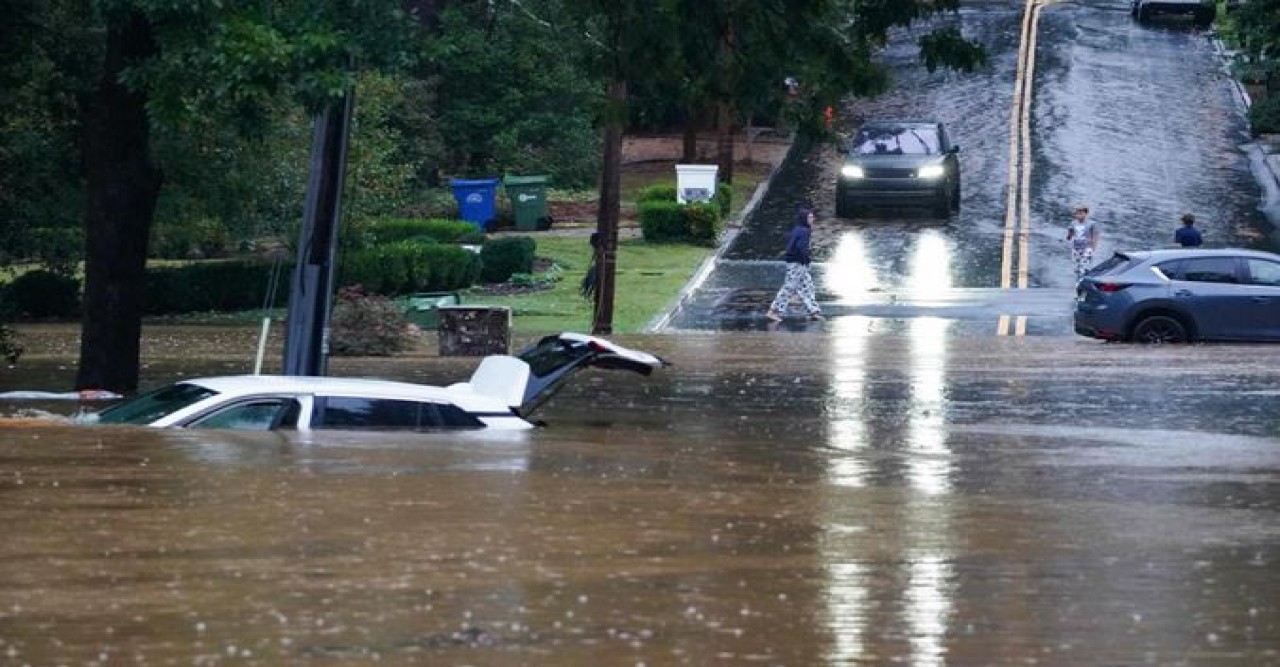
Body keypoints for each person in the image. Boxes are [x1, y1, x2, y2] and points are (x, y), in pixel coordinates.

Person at [766, 206, 823, 322]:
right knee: (789, 287)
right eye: (810, 217)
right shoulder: (805, 231)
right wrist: (807, 256)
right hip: (798, 263)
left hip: (797, 262)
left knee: (807, 286)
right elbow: (801, 247)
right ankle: (773, 311)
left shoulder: (798, 229)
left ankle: (813, 311)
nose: (813, 219)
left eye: (812, 217)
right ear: (804, 219)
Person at [1065, 203, 1099, 281]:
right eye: (1076, 214)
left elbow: (1095, 235)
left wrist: (1093, 247)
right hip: (1076, 247)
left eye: (1080, 213)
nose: (1078, 215)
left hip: (1087, 247)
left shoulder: (1092, 223)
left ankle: (1084, 280)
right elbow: (1070, 232)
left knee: (1084, 265)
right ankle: (1079, 280)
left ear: (1086, 213)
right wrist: (1069, 236)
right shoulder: (1073, 223)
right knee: (1077, 266)